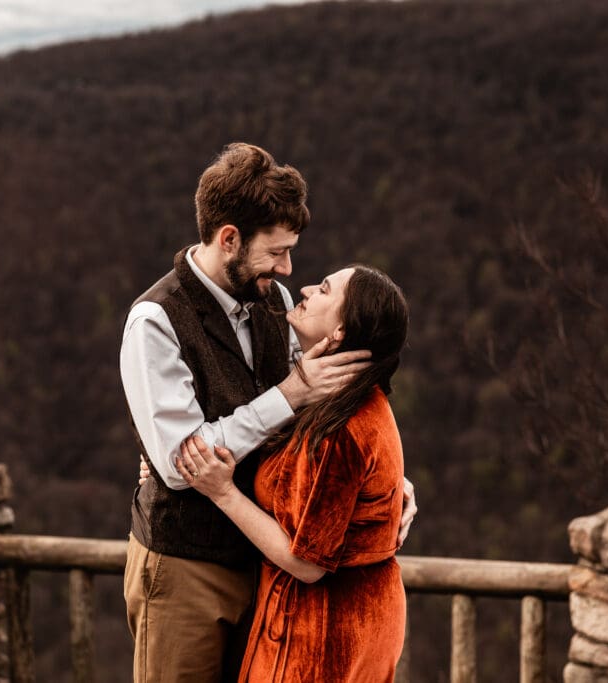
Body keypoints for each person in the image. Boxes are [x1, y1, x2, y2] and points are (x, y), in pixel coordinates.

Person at [120, 143, 415, 682]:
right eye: (276, 252)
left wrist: (387, 487)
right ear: (229, 238)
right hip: (187, 569)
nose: (287, 268)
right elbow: (181, 465)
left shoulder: (274, 300)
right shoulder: (156, 322)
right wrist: (290, 392)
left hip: (267, 569)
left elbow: (332, 416)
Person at [176, 265, 410, 682]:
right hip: (346, 621)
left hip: (324, 634)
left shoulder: (341, 428)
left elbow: (308, 564)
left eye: (323, 290)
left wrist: (222, 491)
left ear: (339, 333)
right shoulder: (337, 401)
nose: (302, 288)